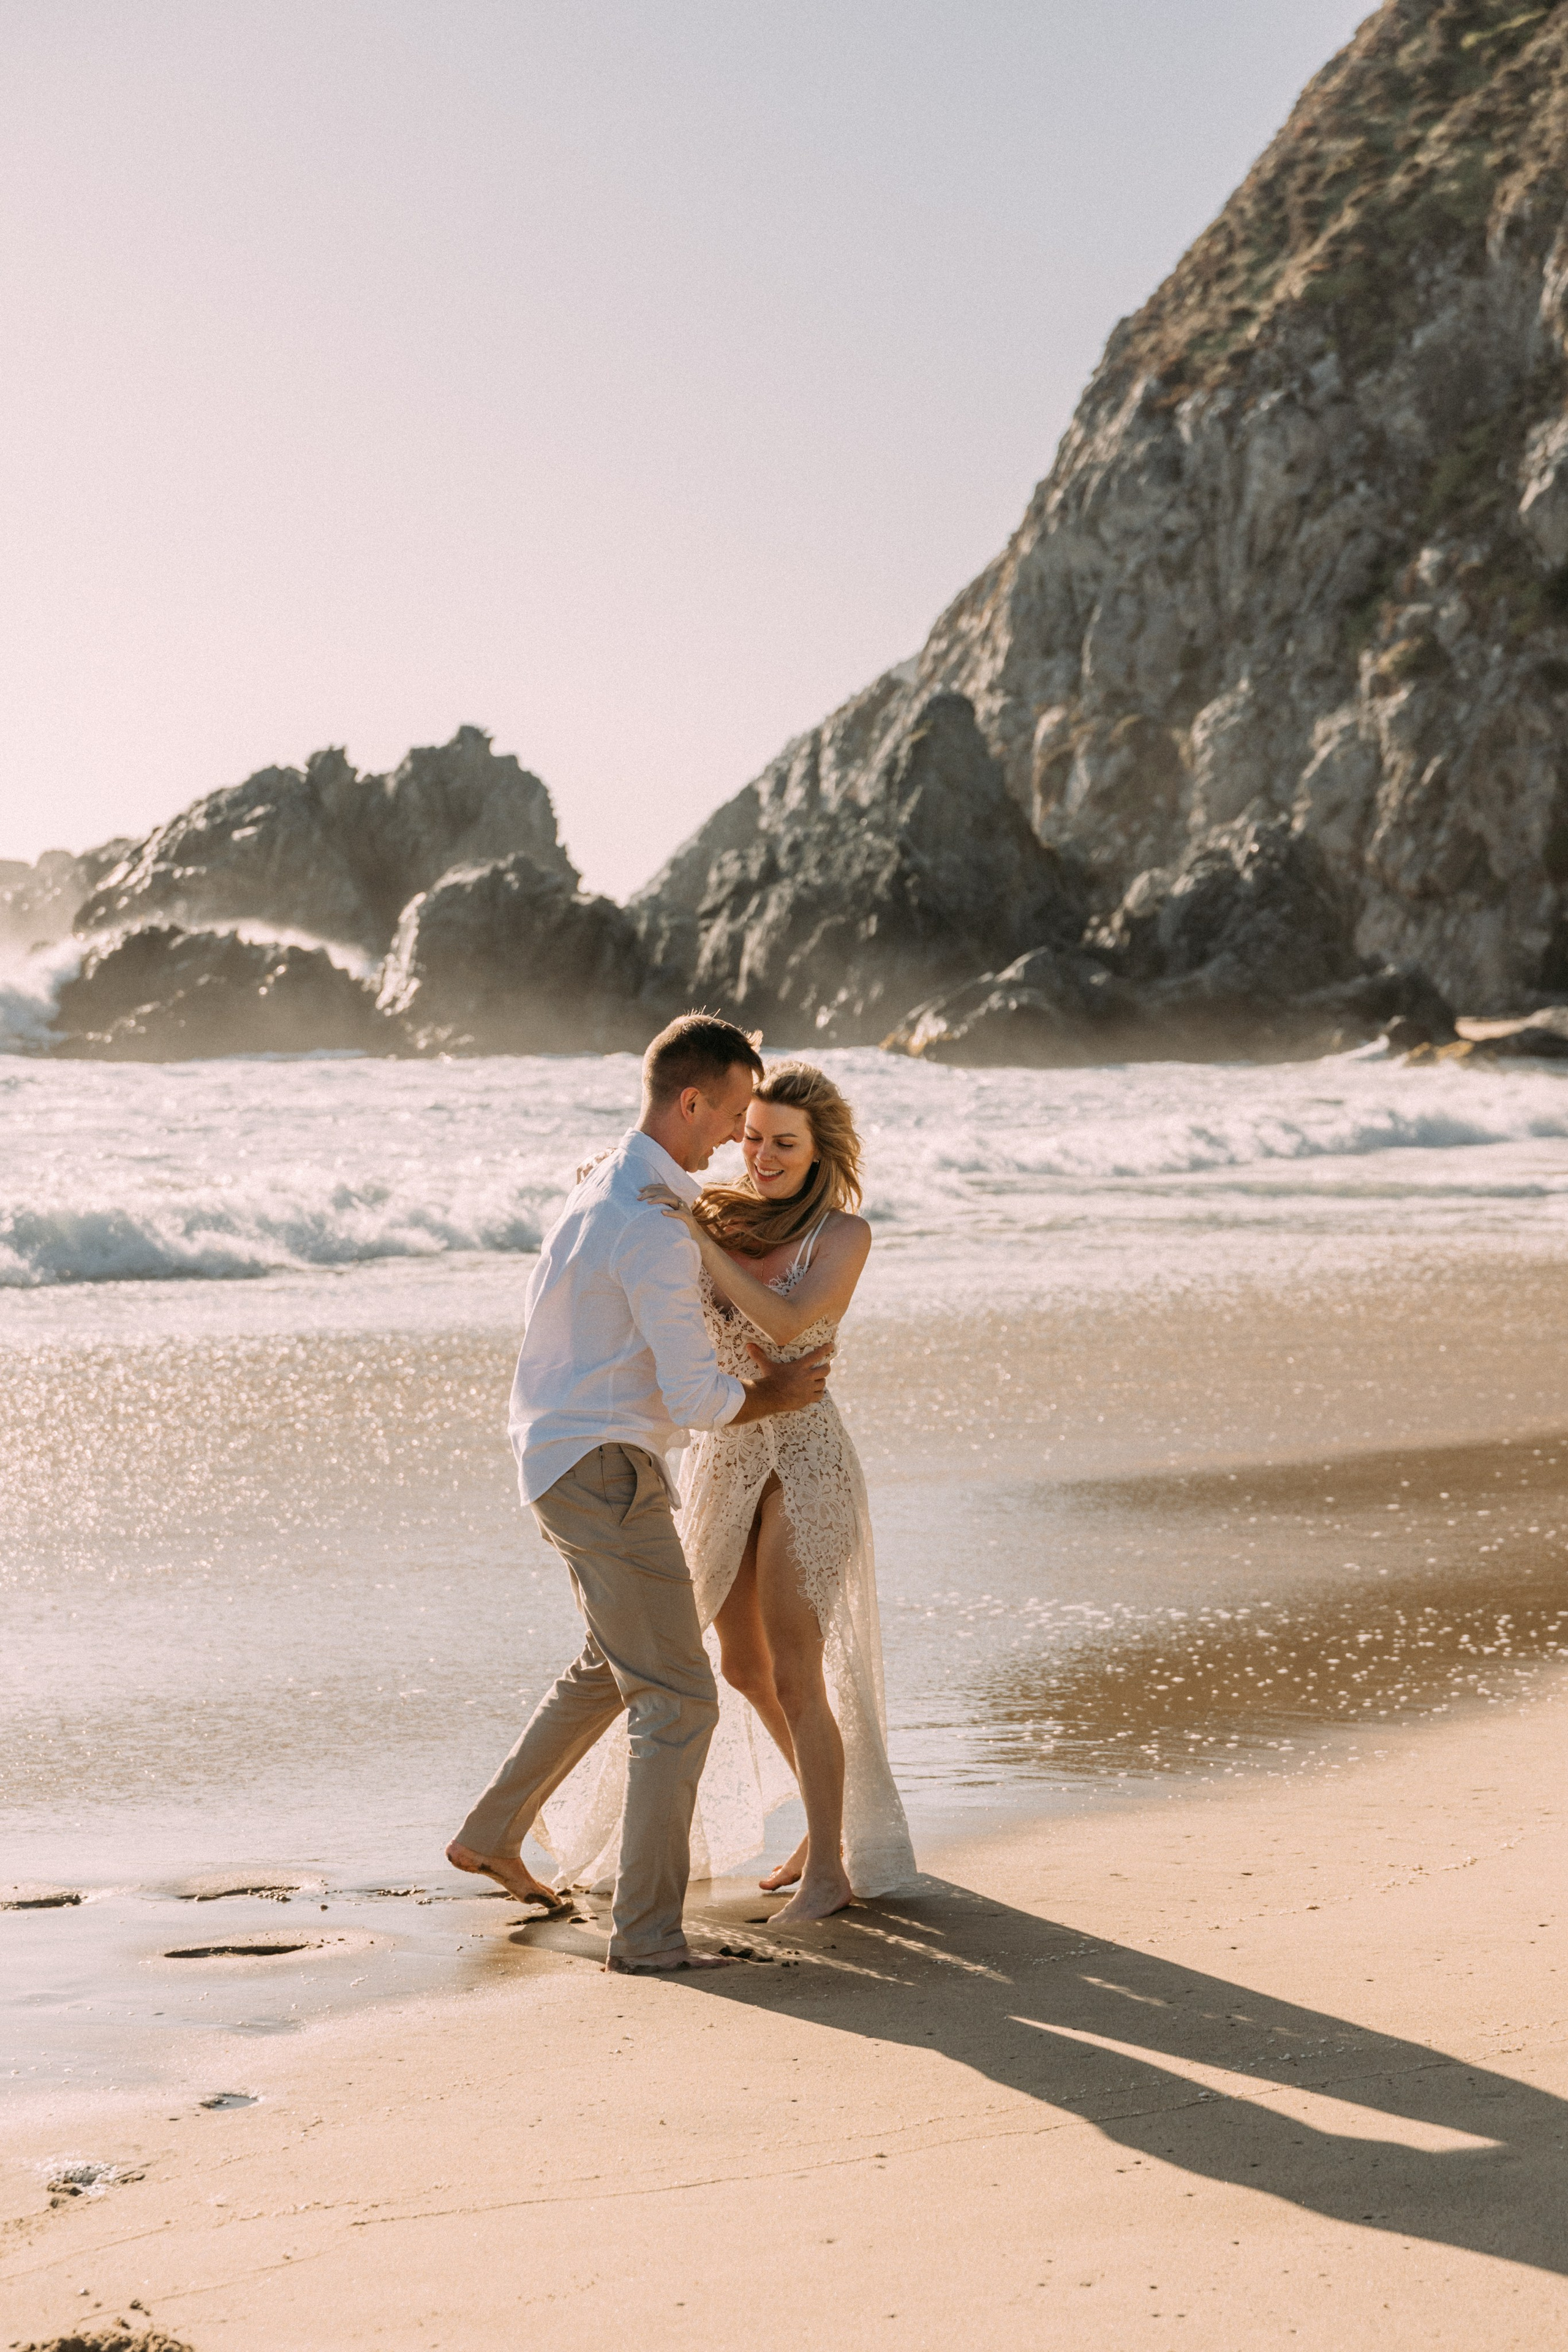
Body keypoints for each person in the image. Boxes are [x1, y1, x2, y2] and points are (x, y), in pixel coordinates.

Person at [445, 1014, 832, 1976]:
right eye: (733, 1117)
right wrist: (781, 1391)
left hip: (556, 1456)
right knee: (679, 1699)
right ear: (691, 1101)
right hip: (606, 1467)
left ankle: (492, 1833)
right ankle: (649, 1935)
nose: (736, 1142)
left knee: (612, 1664)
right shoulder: (654, 1227)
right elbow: (699, 1400)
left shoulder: (605, 1182)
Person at [641, 1059, 916, 1923]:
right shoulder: (717, 1211)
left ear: (821, 1150)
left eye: (783, 1144)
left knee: (798, 1668)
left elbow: (793, 1322)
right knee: (741, 1665)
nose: (760, 1156)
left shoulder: (844, 1236)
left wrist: (702, 1246)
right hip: (726, 1456)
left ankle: (829, 1871)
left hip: (807, 1461)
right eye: (752, 1137)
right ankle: (829, 1828)